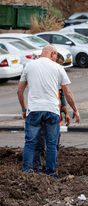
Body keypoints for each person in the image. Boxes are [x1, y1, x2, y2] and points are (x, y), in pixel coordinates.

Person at [17, 45, 80, 178]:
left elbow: (20, 90)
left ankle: (27, 174)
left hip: (34, 110)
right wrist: (75, 109)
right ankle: (52, 174)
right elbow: (67, 93)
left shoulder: (29, 66)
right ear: (52, 53)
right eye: (56, 56)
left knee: (30, 143)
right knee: (51, 144)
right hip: (52, 110)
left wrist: (24, 108)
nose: (56, 58)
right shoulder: (58, 68)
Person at [32, 53, 71, 173]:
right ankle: (37, 170)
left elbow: (62, 94)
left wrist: (66, 112)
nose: (60, 66)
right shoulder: (43, 74)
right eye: (59, 63)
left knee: (53, 145)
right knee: (39, 145)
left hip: (55, 115)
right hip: (44, 113)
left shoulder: (57, 73)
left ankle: (52, 170)